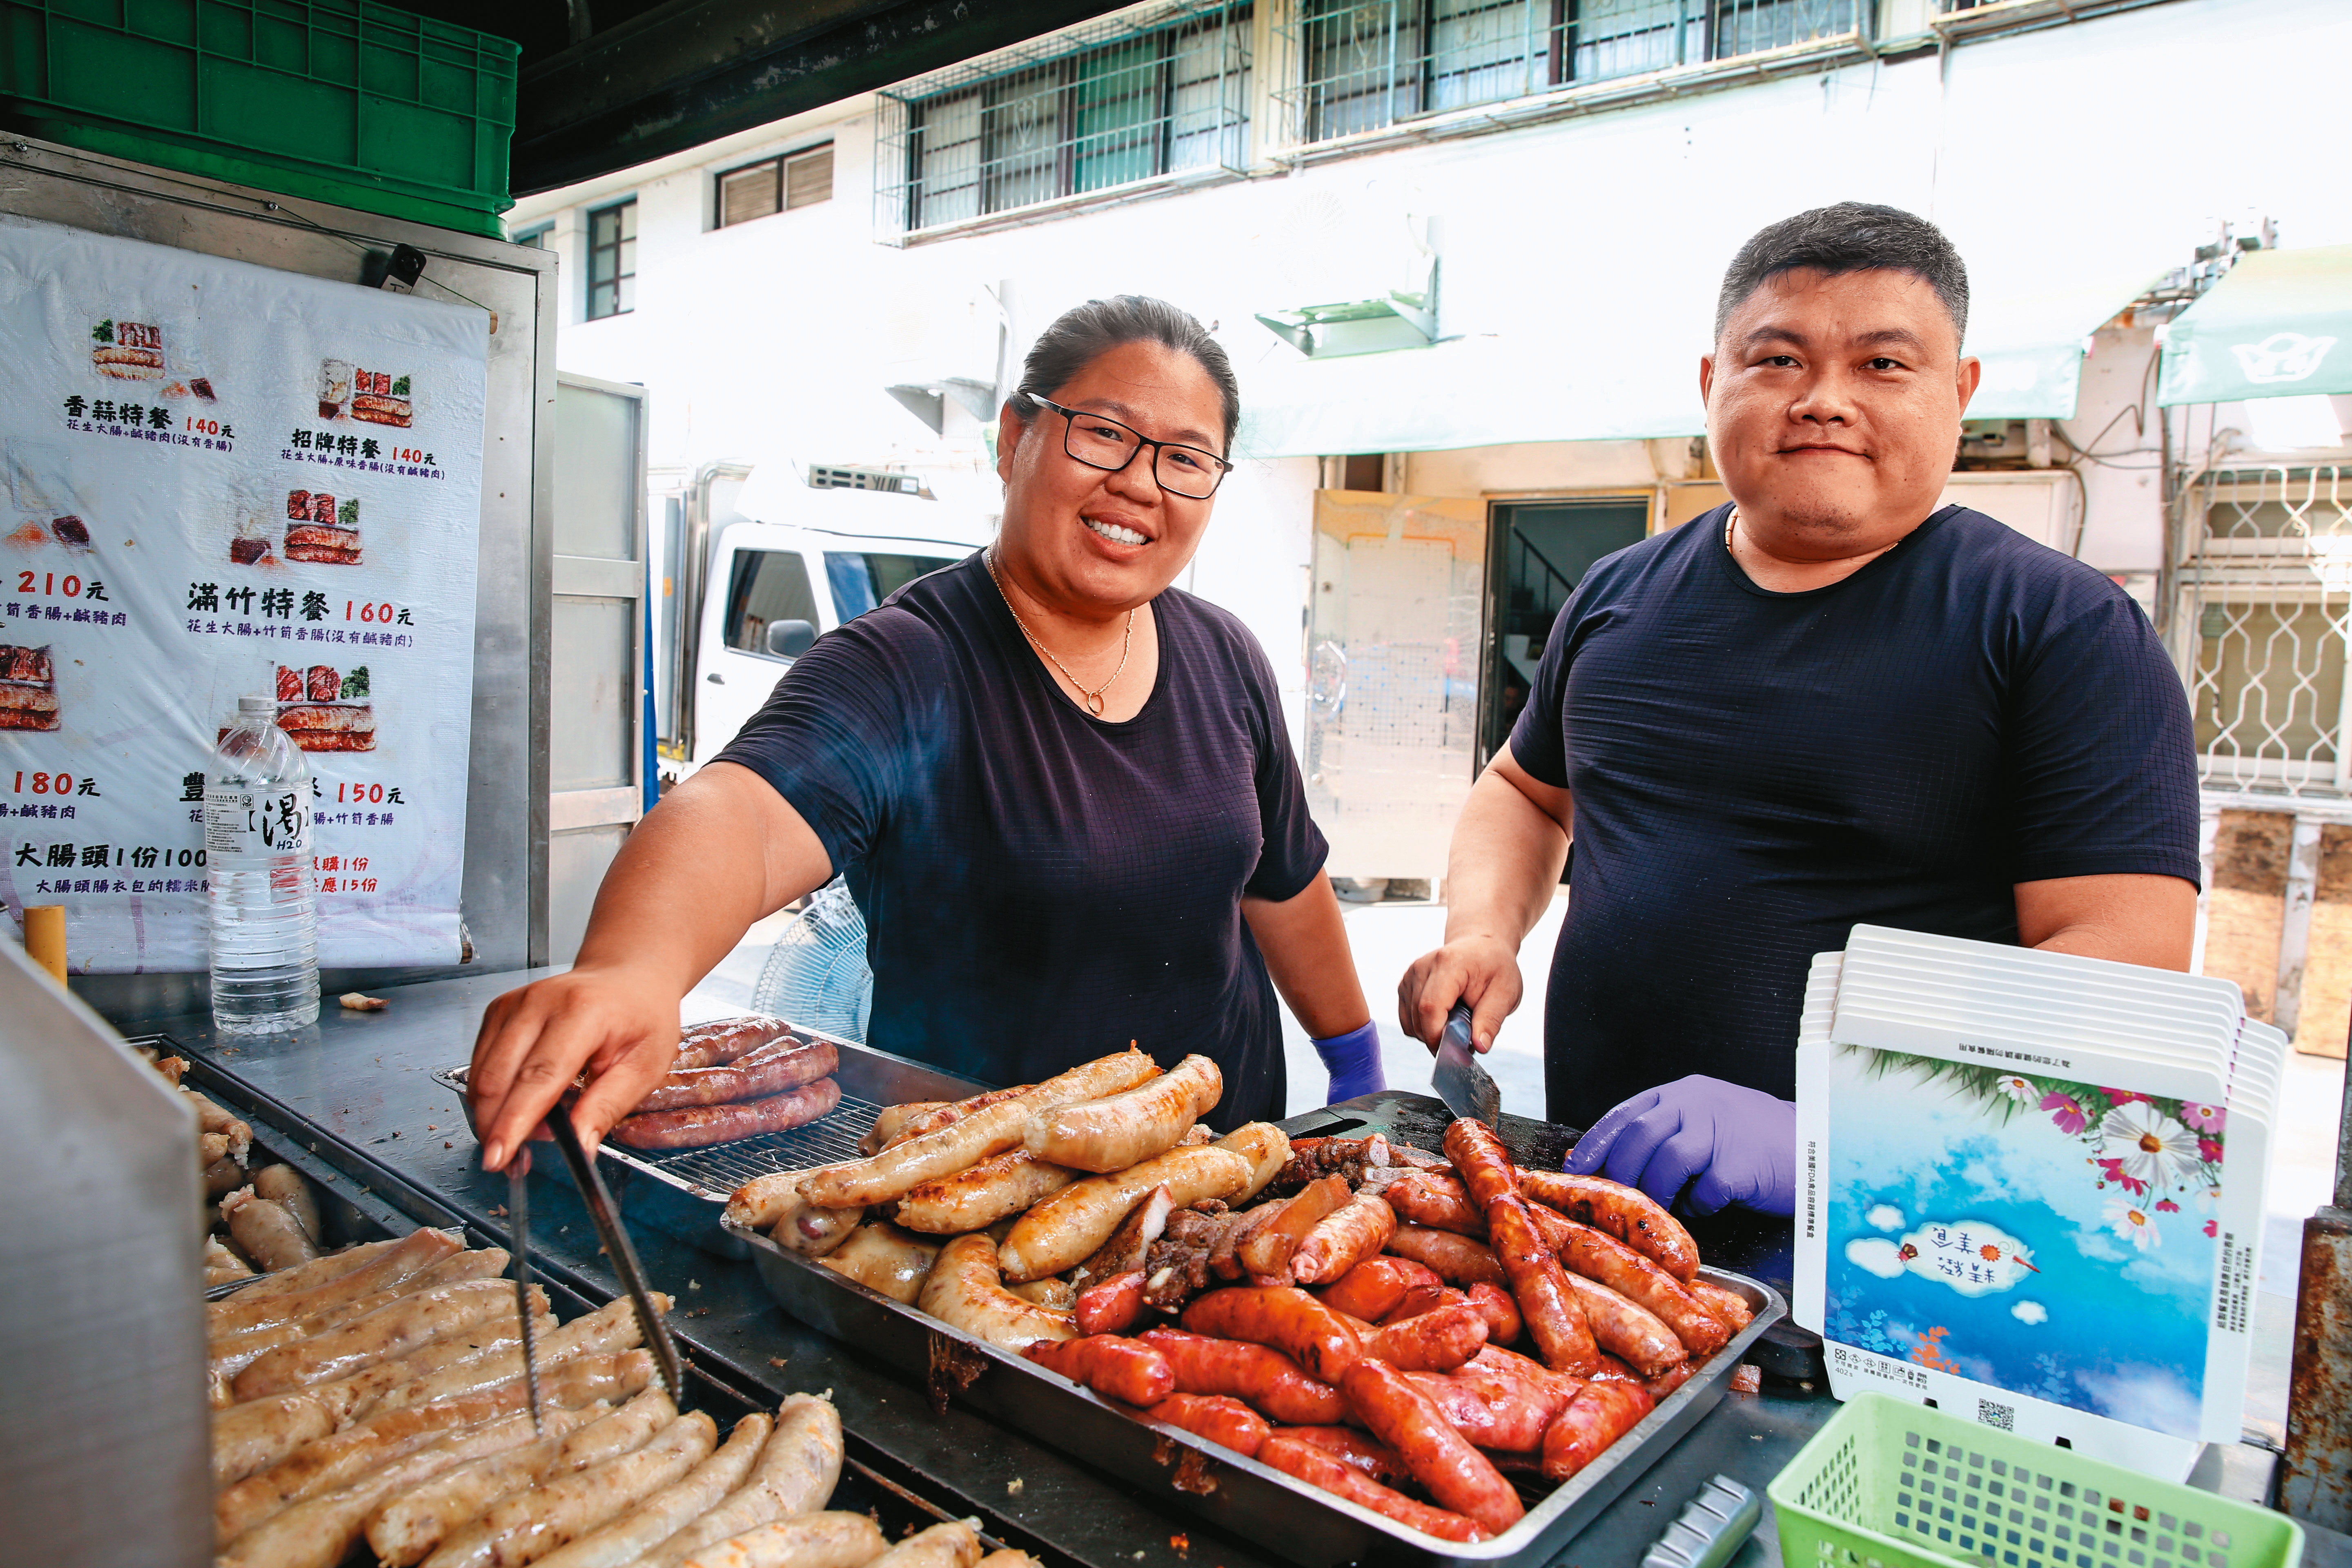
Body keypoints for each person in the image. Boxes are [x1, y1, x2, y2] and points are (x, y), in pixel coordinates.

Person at [1398, 203, 2200, 1216]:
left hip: (1908, 1231)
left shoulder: (2062, 630)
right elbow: (1525, 790)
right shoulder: (1616, 595)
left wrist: (1833, 1131)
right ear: (1710, 383)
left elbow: (2123, 970)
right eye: (1778, 360)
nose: (1824, 400)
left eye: (1882, 365)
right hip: (1592, 1199)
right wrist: (1484, 932)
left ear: (1960, 392)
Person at [470, 296, 1382, 1168]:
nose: (1141, 483)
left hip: (1223, 1182)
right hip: (988, 1202)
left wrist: (1356, 1065)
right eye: (1104, 434)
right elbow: (742, 815)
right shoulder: (908, 665)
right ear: (1016, 439)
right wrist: (633, 970)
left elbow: (1282, 884)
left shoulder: (1223, 653)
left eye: (1186, 459)